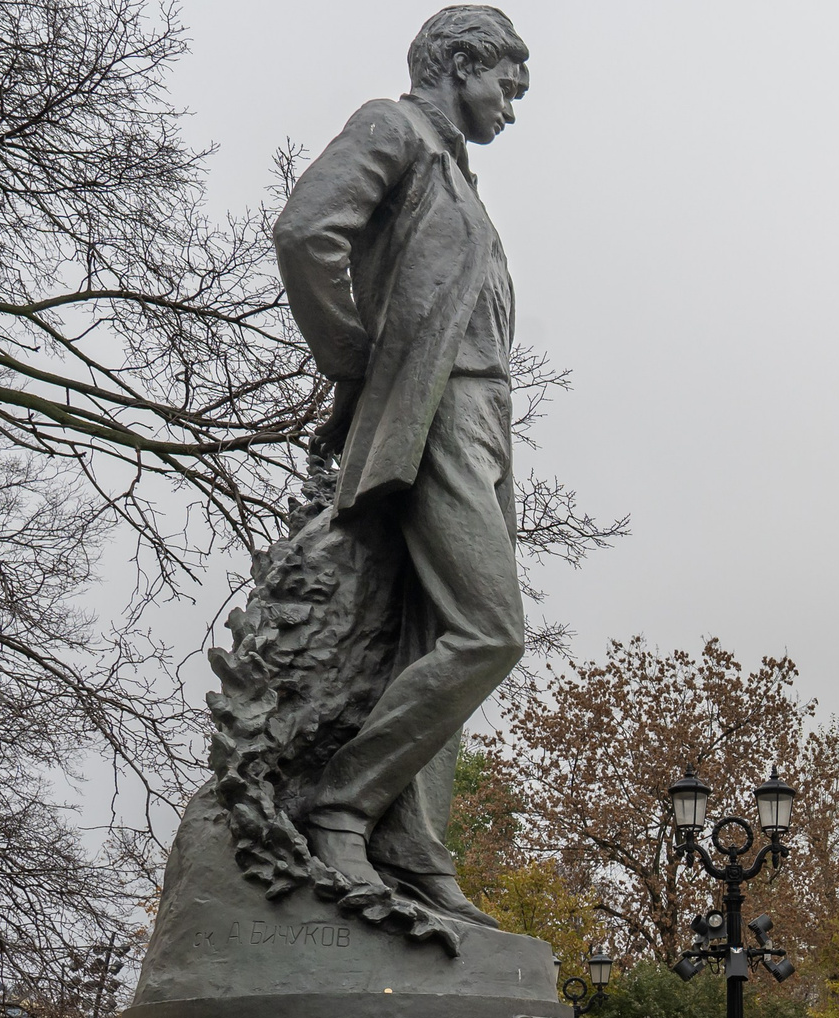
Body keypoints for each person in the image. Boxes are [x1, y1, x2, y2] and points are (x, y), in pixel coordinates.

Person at [269, 5, 534, 925]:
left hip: (483, 419)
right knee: (490, 632)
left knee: (433, 635)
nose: (512, 106)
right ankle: (343, 803)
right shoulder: (396, 128)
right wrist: (355, 359)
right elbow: (307, 233)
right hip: (437, 411)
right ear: (460, 63)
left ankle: (413, 844)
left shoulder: (460, 178)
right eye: (508, 84)